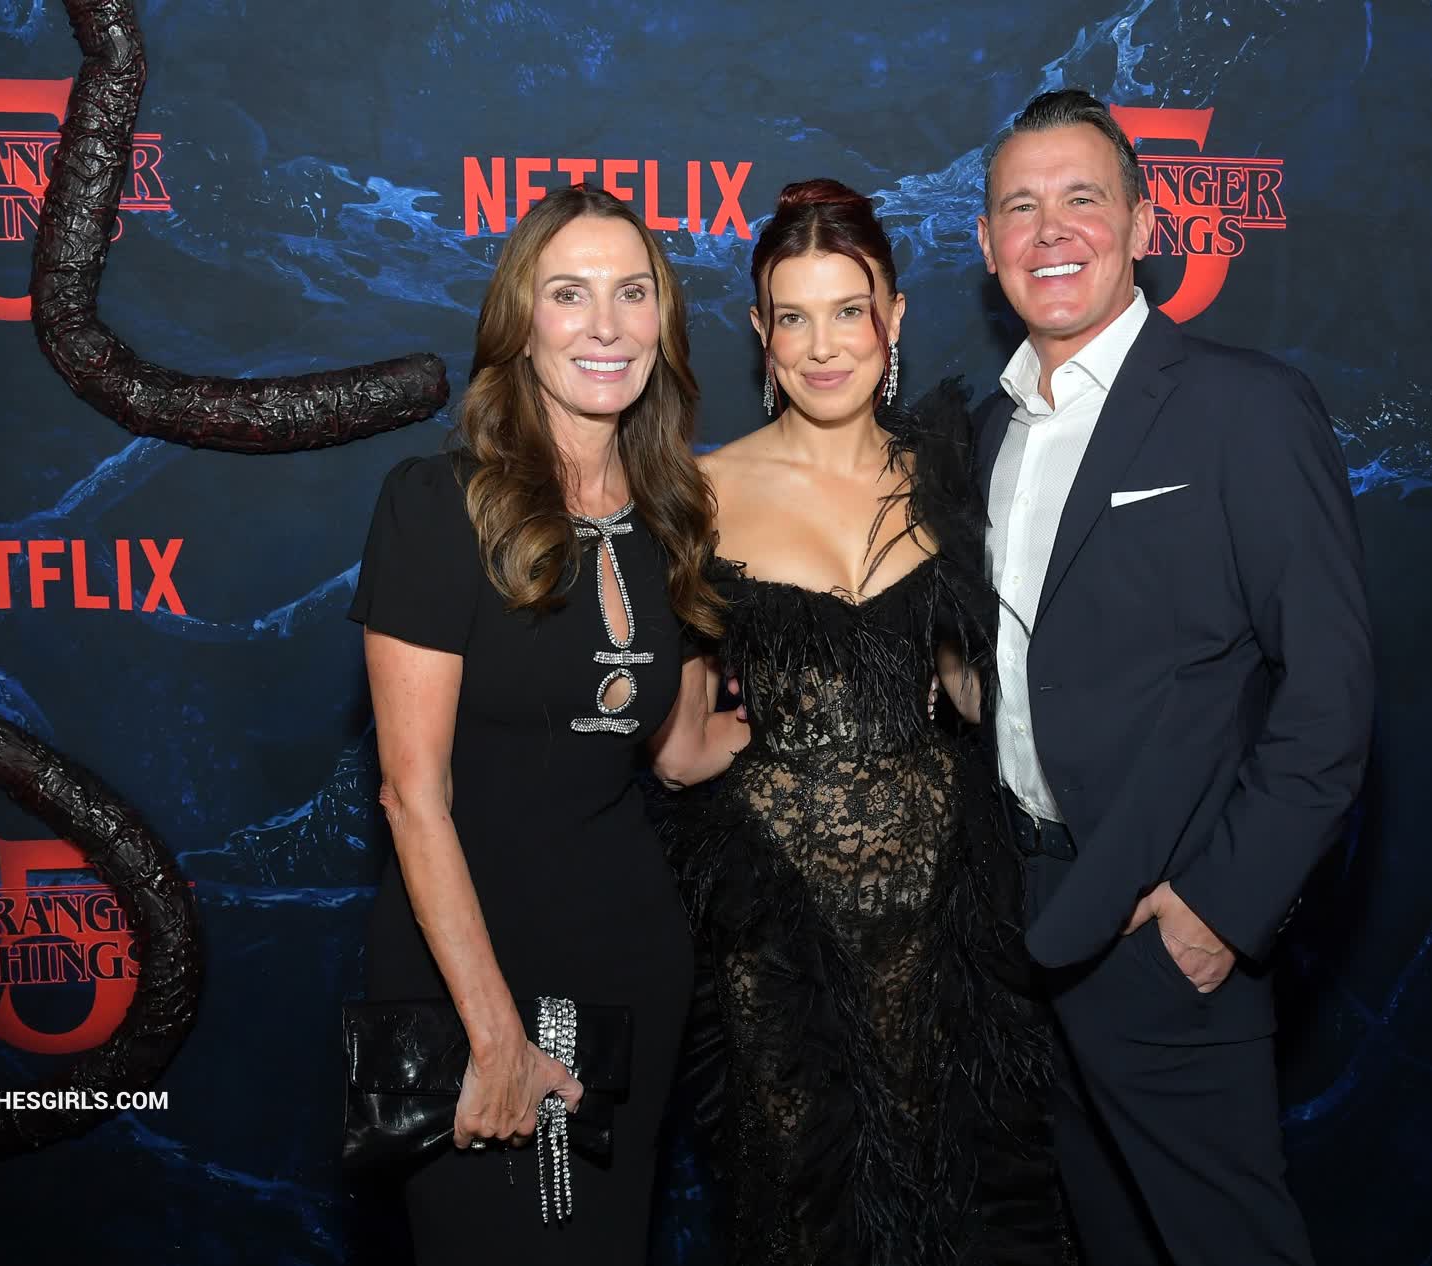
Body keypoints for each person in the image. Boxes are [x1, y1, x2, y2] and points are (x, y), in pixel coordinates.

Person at [972, 88, 1376, 1266]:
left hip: (1165, 922)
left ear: (1145, 225)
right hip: (1026, 916)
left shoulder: (1244, 408)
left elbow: (1330, 692)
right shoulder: (992, 432)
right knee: (1104, 1238)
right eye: (1020, 208)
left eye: (1081, 199)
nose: (1050, 232)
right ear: (988, 244)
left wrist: (1221, 910)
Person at [653, 178, 1067, 1266]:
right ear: (760, 332)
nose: (823, 345)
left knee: (963, 1205)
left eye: (849, 310)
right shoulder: (700, 493)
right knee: (808, 1212)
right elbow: (680, 740)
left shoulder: (949, 471)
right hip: (783, 933)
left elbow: (974, 692)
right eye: (793, 316)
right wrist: (783, 745)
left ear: (894, 316)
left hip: (950, 919)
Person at [348, 183, 746, 1265]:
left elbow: (680, 752)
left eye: (633, 293)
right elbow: (411, 796)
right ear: (520, 325)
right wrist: (495, 1037)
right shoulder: (438, 505)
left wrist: (850, 701)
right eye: (569, 294)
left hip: (628, 964)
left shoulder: (674, 518)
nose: (605, 325)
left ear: (663, 322)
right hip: (468, 978)